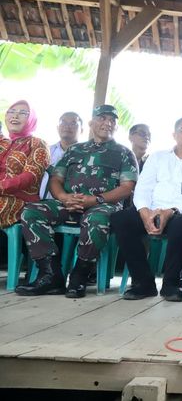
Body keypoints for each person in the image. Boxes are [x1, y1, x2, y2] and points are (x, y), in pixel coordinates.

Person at [16, 105, 139, 298]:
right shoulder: (75, 150)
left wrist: (94, 199)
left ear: (116, 126)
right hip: (69, 203)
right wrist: (64, 197)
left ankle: (80, 275)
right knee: (31, 211)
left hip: (102, 205)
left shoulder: (123, 152)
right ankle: (51, 275)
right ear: (91, 123)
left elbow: (127, 187)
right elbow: (56, 179)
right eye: (102, 118)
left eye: (112, 121)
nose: (107, 123)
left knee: (97, 220)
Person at [112, 116, 182, 301]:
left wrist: (171, 211)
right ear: (174, 134)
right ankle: (143, 283)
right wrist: (144, 212)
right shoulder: (157, 157)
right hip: (151, 210)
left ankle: (170, 284)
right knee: (121, 219)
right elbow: (143, 188)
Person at [0, 101, 50, 229]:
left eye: (23, 113)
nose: (15, 116)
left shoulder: (38, 143)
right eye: (11, 112)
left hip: (20, 199)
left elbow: (30, 176)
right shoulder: (2, 142)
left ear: (31, 119)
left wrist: (2, 186)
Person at [39, 112, 83, 199]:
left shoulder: (86, 155)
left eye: (73, 123)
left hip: (71, 204)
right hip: (41, 204)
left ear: (82, 130)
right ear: (57, 128)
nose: (67, 126)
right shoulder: (45, 151)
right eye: (63, 122)